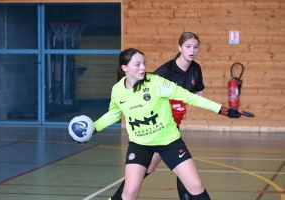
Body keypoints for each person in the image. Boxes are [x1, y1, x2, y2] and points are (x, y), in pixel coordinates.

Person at [84, 48, 254, 200]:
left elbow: (191, 97)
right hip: (140, 145)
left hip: (169, 142)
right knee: (129, 193)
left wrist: (223, 110)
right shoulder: (117, 90)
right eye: (137, 64)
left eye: (144, 63)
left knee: (195, 186)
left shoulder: (157, 82)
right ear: (125, 68)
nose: (143, 67)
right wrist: (93, 129)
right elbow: (113, 115)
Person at [111, 32, 204, 200]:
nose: (192, 50)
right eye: (188, 46)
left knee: (162, 168)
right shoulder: (165, 71)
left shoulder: (195, 69)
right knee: (152, 168)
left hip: (172, 125)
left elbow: (198, 96)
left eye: (195, 47)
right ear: (180, 48)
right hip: (158, 127)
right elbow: (146, 93)